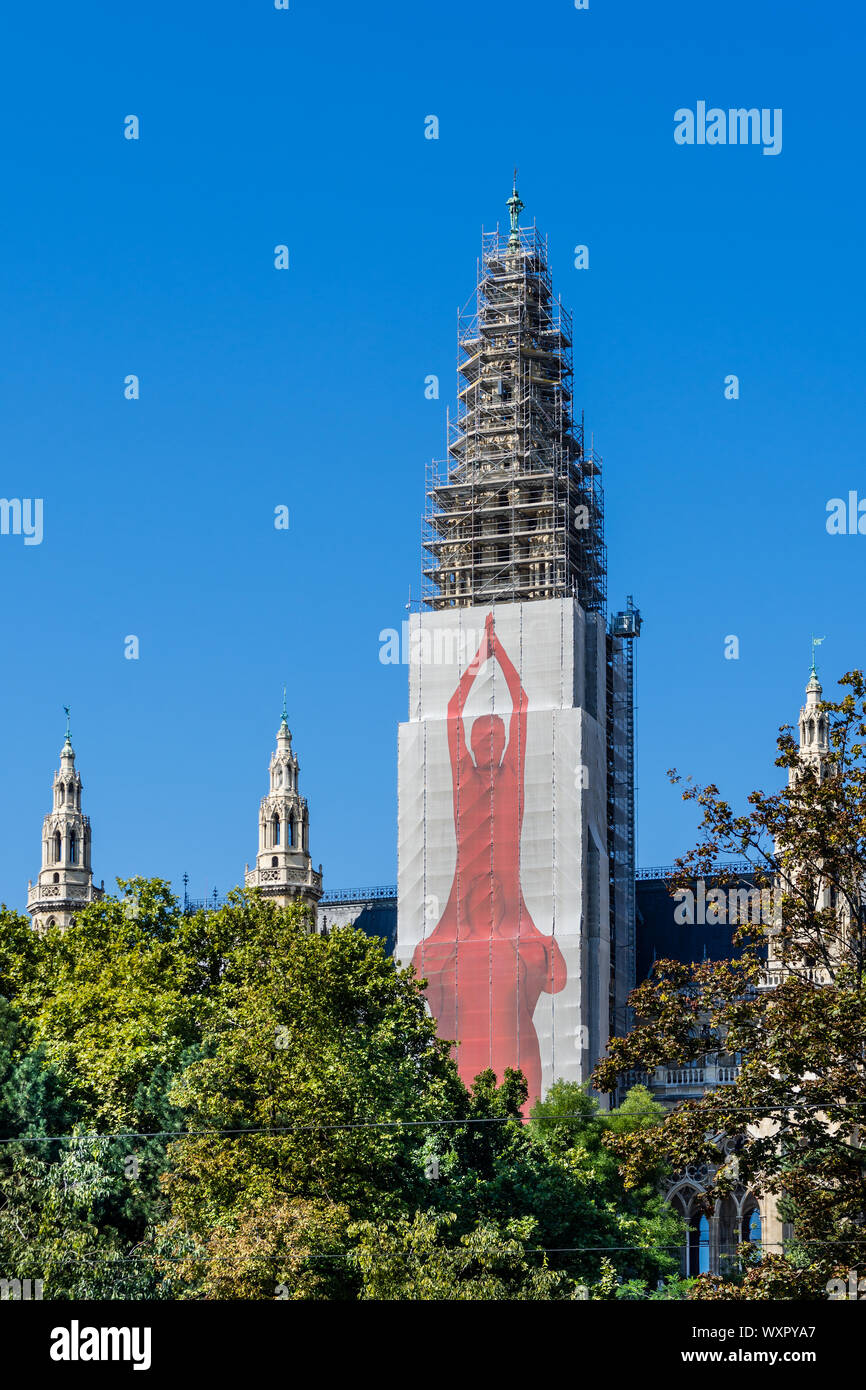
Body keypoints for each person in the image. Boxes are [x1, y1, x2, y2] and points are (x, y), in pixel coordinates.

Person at [413, 612, 566, 1104]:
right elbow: (453, 714)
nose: (490, 741)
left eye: (496, 736)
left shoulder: (513, 780)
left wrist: (501, 657)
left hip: (508, 892)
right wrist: (479, 660)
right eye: (484, 737)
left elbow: (522, 708)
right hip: (468, 890)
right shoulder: (464, 781)